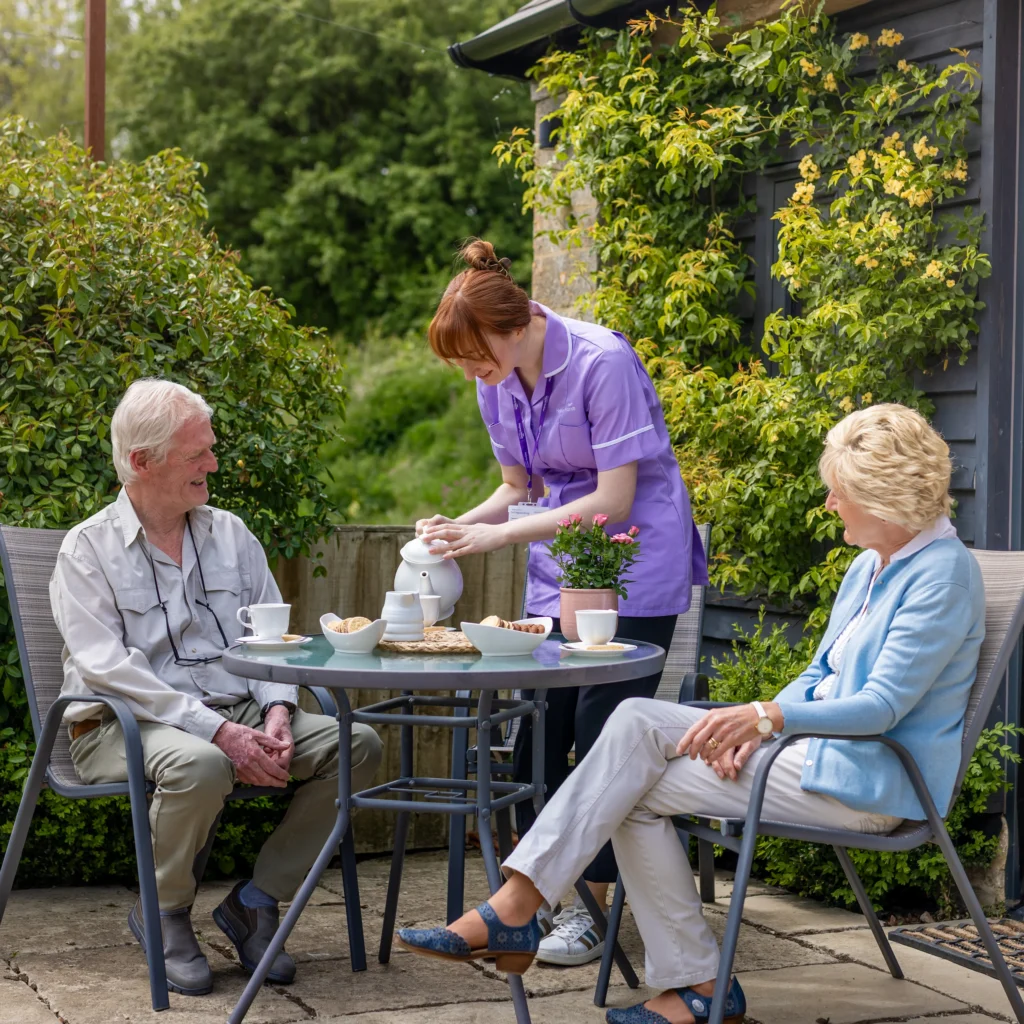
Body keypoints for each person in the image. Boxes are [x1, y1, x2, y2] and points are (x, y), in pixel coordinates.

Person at [396, 403, 985, 1024]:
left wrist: (763, 721)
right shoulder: (873, 564)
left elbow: (882, 707)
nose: (831, 506)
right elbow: (818, 676)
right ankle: (683, 980)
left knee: (629, 772)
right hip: (815, 754)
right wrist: (749, 725)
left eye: (841, 495)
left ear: (887, 499)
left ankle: (526, 913)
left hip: (869, 781)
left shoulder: (941, 577)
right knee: (633, 748)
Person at [416, 238, 708, 965]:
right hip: (557, 562)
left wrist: (499, 538)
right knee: (538, 726)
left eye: (474, 357)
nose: (471, 374)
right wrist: (461, 525)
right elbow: (518, 490)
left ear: (514, 327)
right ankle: (536, 899)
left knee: (599, 726)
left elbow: (612, 498)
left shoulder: (602, 361)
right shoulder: (497, 376)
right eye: (462, 364)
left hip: (636, 557)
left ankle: (588, 910)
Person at [50, 379, 382, 996]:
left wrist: (278, 710)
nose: (214, 463)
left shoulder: (231, 534)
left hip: (237, 711)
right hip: (120, 726)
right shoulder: (86, 551)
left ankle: (254, 903)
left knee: (356, 744)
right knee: (204, 764)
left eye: (210, 448)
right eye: (196, 452)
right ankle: (165, 913)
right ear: (142, 461)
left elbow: (273, 641)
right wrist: (221, 731)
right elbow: (105, 669)